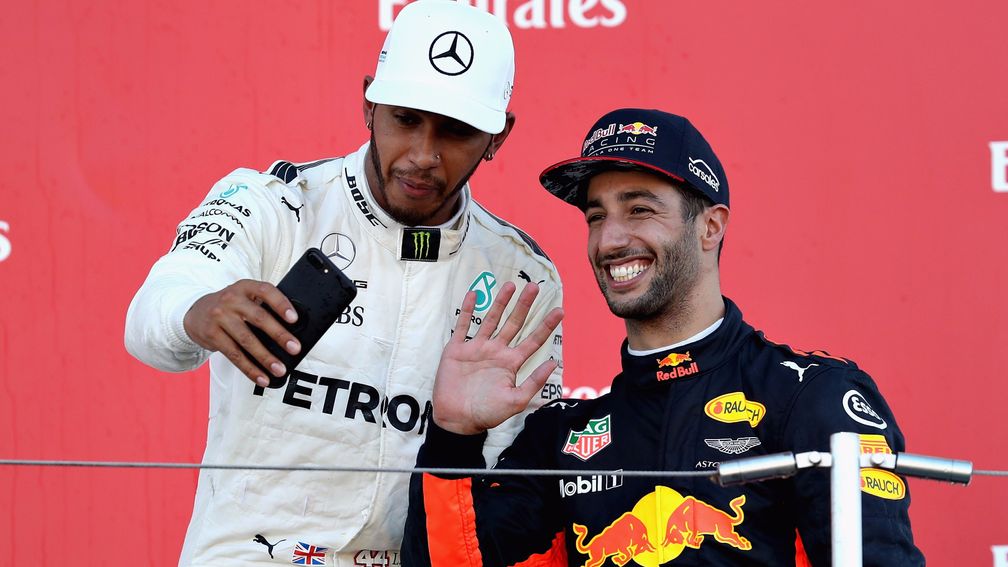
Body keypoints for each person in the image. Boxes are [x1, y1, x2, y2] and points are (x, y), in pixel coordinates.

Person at [124, 1, 564, 565]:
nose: (423, 155)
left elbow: (513, 489)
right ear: (368, 104)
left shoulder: (520, 275)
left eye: (457, 131)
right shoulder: (274, 205)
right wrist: (197, 311)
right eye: (406, 119)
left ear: (498, 137)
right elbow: (150, 320)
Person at [402, 108, 924, 566]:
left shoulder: (814, 397)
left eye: (640, 209)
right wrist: (454, 436)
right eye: (597, 216)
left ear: (710, 227)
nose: (610, 239)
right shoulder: (560, 436)